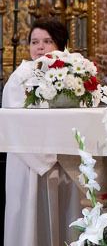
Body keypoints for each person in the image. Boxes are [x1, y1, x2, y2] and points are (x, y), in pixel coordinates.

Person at [2, 17, 81, 246]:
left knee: (64, 218)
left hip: (64, 161)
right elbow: (14, 124)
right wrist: (48, 158)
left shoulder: (73, 75)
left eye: (47, 41)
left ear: (60, 45)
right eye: (34, 42)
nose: (40, 47)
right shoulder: (20, 78)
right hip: (29, 162)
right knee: (29, 219)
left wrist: (62, 152)